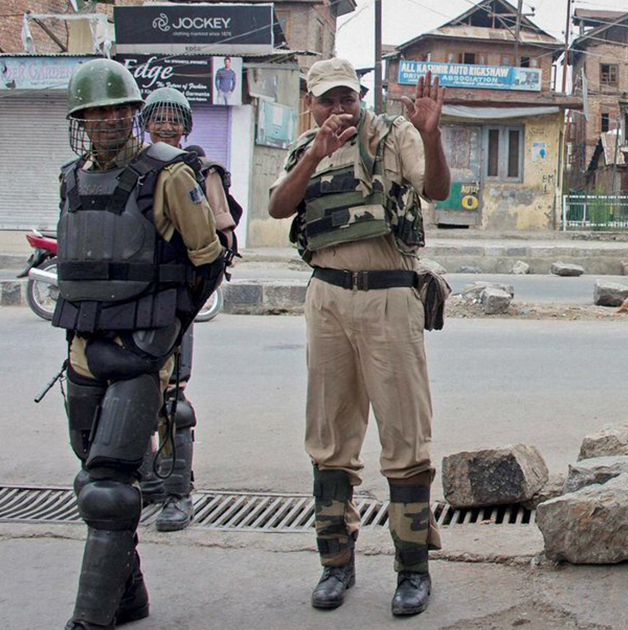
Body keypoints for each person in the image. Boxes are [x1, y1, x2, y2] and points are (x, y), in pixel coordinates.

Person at [267, 57, 450, 616]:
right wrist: (315, 156)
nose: (339, 108)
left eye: (347, 97)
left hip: (390, 295)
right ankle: (335, 565)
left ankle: (412, 571)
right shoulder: (306, 147)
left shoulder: (395, 136)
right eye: (327, 99)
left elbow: (437, 190)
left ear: (360, 97)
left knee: (405, 438)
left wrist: (431, 134)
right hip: (327, 298)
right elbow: (278, 206)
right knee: (329, 439)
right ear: (310, 103)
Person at [55, 58, 226, 629]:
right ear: (81, 121)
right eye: (94, 113)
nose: (106, 121)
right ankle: (128, 595)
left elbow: (208, 261)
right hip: (83, 348)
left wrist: (167, 332)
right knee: (92, 479)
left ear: (133, 114)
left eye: (117, 111)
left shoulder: (169, 173)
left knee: (108, 488)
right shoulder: (71, 178)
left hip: (140, 350)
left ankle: (91, 618)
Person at [134, 87, 243, 531]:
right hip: (127, 306)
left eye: (174, 119)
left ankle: (178, 492)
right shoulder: (131, 169)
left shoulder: (200, 171)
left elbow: (220, 242)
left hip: (171, 305)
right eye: (158, 118)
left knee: (172, 399)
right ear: (145, 124)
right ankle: (146, 483)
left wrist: (187, 299)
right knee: (128, 392)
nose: (166, 126)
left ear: (186, 126)